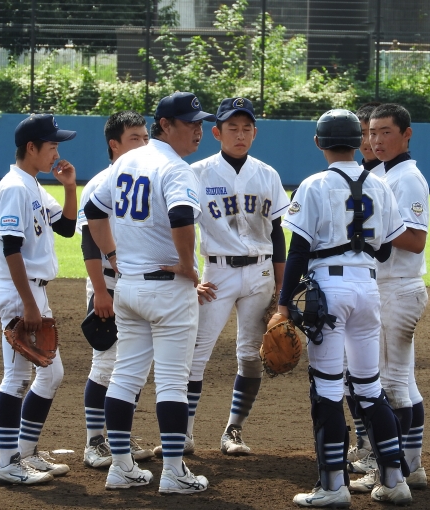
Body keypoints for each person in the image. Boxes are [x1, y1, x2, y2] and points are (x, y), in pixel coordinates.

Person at [277, 109, 413, 507]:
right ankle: (394, 481)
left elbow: (298, 251)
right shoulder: (381, 186)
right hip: (368, 290)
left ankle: (333, 487)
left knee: (327, 389)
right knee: (369, 389)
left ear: (318, 142)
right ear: (360, 142)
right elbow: (385, 250)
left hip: (329, 291)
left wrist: (283, 305)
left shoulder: (314, 184)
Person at [84, 92, 214, 494]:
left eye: (200, 123)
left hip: (128, 288)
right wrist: (188, 265)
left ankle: (121, 467)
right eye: (189, 123)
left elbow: (93, 210)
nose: (198, 130)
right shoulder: (176, 168)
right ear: (165, 125)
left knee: (124, 377)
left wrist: (113, 255)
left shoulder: (126, 161)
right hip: (168, 291)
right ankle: (174, 472)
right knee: (172, 382)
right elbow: (181, 217)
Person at [151, 97, 289, 458]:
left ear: (255, 133)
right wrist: (189, 274)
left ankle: (234, 430)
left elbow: (277, 233)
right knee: (196, 354)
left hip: (261, 271)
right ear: (217, 132)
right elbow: (178, 226)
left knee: (251, 355)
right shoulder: (196, 172)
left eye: (246, 129)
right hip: (217, 272)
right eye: (232, 128)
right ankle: (184, 434)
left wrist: (281, 287)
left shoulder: (268, 174)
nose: (240, 135)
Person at [0, 113, 77, 485]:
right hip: (19, 291)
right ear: (31, 147)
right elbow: (10, 248)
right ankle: (6, 463)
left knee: (51, 373)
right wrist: (27, 304)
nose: (56, 153)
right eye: (52, 145)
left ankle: (25, 453)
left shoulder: (34, 186)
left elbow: (67, 227)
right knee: (15, 378)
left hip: (33, 291)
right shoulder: (14, 187)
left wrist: (70, 187)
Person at [350, 103, 430, 494]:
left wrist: (372, 226)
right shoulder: (384, 174)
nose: (376, 140)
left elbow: (415, 241)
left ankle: (389, 471)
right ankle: (410, 466)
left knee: (392, 386)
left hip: (397, 288)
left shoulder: (407, 178)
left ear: (406, 134)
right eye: (372, 133)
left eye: (385, 132)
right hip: (390, 286)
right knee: (403, 383)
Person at [76, 111, 152, 469]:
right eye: (135, 138)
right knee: (106, 362)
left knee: (136, 362)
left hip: (139, 281)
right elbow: (89, 243)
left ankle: (119, 436)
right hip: (106, 282)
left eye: (146, 137)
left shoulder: (146, 179)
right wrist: (99, 293)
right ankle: (94, 442)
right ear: (114, 144)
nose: (144, 143)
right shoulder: (101, 183)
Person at [344, 101, 383, 473]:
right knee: (351, 378)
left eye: (373, 132)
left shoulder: (383, 178)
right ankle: (366, 443)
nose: (368, 140)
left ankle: (378, 453)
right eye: (364, 133)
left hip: (374, 287)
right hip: (365, 287)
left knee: (370, 380)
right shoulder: (364, 175)